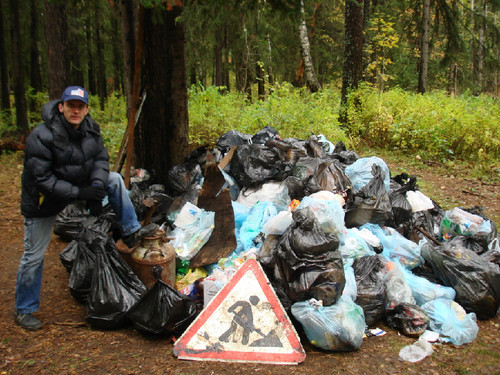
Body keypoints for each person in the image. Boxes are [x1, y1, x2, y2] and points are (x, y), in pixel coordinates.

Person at [15, 86, 158, 331]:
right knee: (34, 255)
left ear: (86, 109)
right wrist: (82, 193)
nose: (75, 110)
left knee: (112, 179)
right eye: (71, 105)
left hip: (76, 185)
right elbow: (42, 179)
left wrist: (96, 186)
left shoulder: (90, 129)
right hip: (43, 199)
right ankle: (24, 309)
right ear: (61, 107)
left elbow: (100, 161)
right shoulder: (42, 134)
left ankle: (131, 230)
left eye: (80, 106)